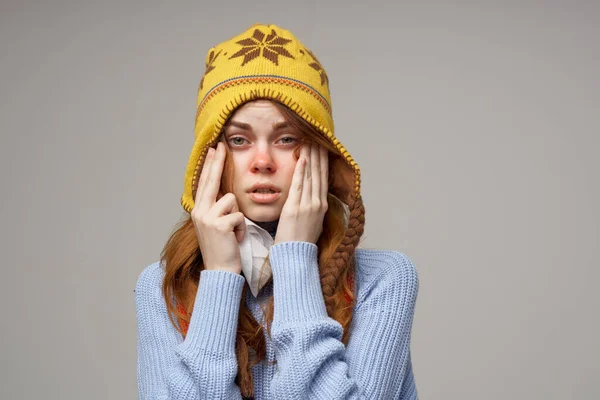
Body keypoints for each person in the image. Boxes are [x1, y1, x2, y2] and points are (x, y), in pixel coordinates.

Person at [135, 23, 419, 399]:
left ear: (321, 154)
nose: (263, 161)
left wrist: (295, 260)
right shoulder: (162, 288)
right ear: (208, 159)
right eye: (239, 140)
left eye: (287, 139)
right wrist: (219, 278)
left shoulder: (382, 281)